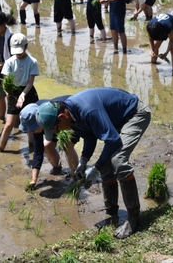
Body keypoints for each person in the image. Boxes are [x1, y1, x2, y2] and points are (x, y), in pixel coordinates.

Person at [35, 88, 151, 238]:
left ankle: (134, 218)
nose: (57, 133)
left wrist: (96, 168)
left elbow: (113, 141)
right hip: (116, 119)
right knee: (106, 165)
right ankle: (111, 214)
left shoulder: (88, 110)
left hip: (134, 114)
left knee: (118, 160)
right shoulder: (71, 117)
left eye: (56, 128)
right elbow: (90, 136)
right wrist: (83, 161)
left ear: (62, 116)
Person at [18, 100, 79, 190]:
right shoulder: (37, 125)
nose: (31, 132)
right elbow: (38, 152)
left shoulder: (49, 116)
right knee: (47, 146)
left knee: (67, 146)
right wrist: (33, 179)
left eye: (32, 130)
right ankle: (57, 168)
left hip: (67, 120)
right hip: (53, 126)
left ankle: (76, 175)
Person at [0, 33, 39, 151]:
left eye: (20, 51)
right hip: (13, 91)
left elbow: (30, 83)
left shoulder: (32, 62)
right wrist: (9, 94)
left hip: (28, 92)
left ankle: (32, 147)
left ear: (26, 46)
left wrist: (22, 95)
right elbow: (6, 83)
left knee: (31, 123)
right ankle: (1, 149)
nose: (18, 54)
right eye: (15, 51)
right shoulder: (9, 62)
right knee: (9, 124)